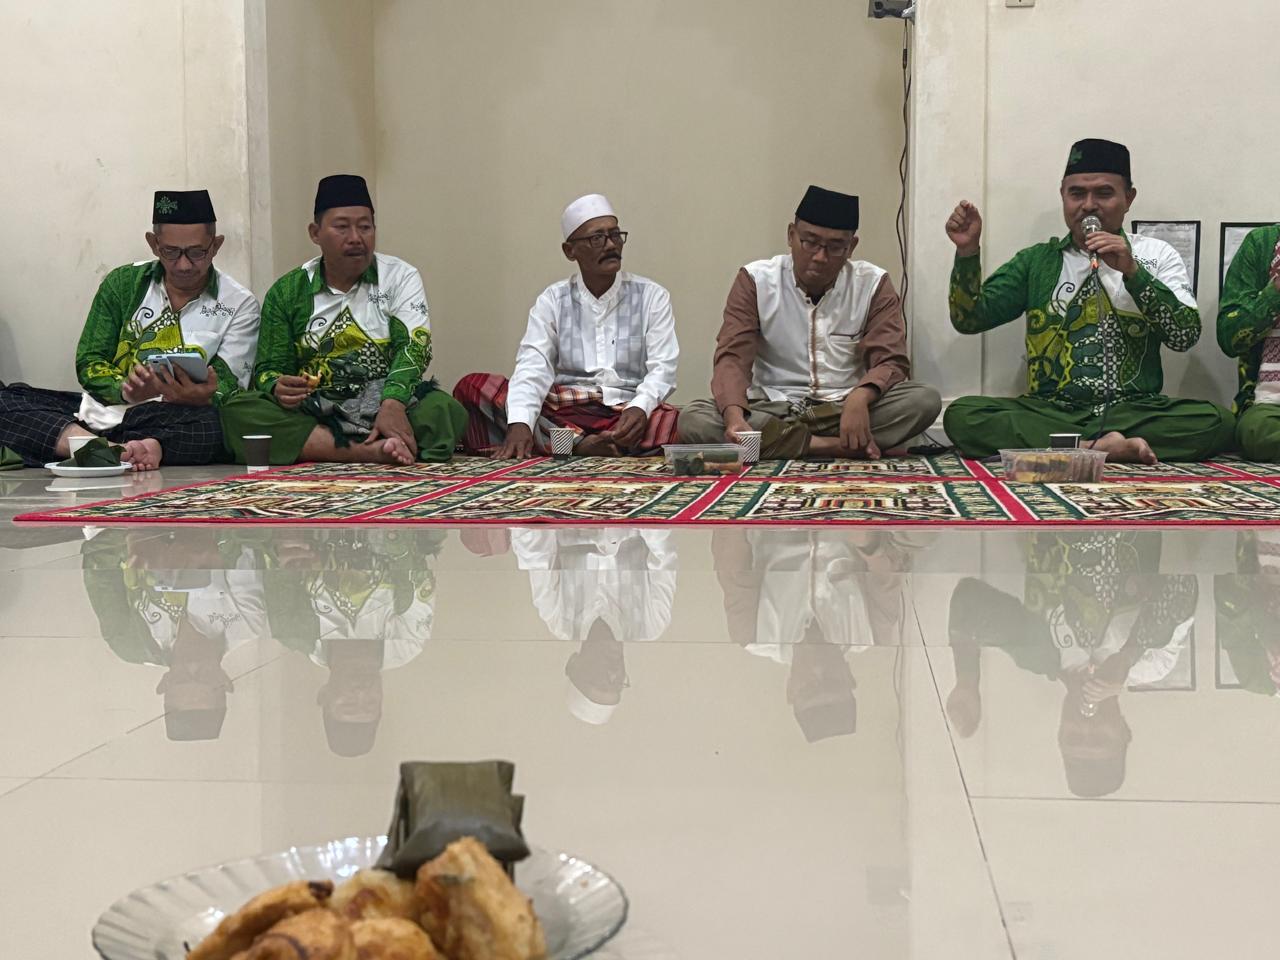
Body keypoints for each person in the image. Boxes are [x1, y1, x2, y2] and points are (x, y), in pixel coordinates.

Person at [944, 138, 1234, 463]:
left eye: (1104, 193)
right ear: (1063, 196)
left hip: (1133, 411)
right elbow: (969, 319)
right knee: (963, 414)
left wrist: (1133, 272)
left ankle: (1066, 447)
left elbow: (1184, 335)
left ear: (1129, 198)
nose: (1089, 205)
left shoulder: (1155, 255)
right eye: (1077, 194)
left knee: (1217, 421)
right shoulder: (1036, 261)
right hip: (1052, 411)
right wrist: (967, 252)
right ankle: (1098, 449)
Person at [0, 190, 259, 470]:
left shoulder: (239, 303)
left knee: (216, 427)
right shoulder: (123, 284)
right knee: (8, 398)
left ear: (216, 245)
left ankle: (94, 448)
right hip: (100, 412)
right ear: (153, 244)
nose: (184, 265)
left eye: (197, 253)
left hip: (172, 417)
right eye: (171, 252)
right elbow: (90, 361)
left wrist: (201, 396)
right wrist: (125, 390)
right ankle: (110, 449)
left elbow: (230, 386)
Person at [678, 185, 941, 460]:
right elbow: (732, 358)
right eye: (810, 242)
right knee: (694, 419)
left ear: (851, 247)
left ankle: (786, 444)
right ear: (791, 235)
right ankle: (832, 446)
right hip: (773, 408)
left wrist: (860, 397)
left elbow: (891, 361)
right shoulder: (756, 280)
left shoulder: (873, 284)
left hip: (842, 409)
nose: (820, 257)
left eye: (835, 247)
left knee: (924, 400)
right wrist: (735, 419)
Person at [221, 174, 465, 466]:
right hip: (317, 409)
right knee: (239, 411)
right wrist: (277, 386)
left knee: (444, 411)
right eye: (342, 227)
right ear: (315, 233)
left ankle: (334, 446)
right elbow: (268, 369)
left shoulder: (400, 277)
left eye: (365, 227)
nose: (356, 238)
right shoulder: (287, 292)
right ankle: (369, 451)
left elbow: (415, 347)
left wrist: (394, 402)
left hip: (385, 401)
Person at [947, 532, 1195, 797]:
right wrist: (1127, 656)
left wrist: (967, 681)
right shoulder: (1153, 666)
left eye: (1073, 737)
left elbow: (967, 602)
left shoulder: (1041, 655)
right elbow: (1182, 586)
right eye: (1100, 738)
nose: (1086, 726)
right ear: (1125, 732)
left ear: (1059, 732)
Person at [453, 193, 680, 458]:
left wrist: (640, 406)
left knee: (681, 424)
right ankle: (582, 444)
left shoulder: (652, 296)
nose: (611, 245)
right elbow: (533, 365)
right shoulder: (553, 300)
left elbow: (663, 368)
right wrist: (520, 422)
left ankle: (567, 444)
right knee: (472, 388)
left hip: (625, 410)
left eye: (615, 235)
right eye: (597, 238)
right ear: (570, 251)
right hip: (563, 408)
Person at [510, 527, 677, 724]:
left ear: (574, 664)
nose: (613, 673)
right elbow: (663, 551)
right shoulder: (651, 623)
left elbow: (535, 554)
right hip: (634, 514)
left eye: (599, 679)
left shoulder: (559, 619)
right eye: (617, 683)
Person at [1217, 223, 1280, 461]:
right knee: (1256, 432)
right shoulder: (1262, 243)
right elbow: (1228, 339)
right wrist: (1274, 292)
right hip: (1271, 406)